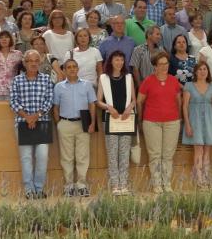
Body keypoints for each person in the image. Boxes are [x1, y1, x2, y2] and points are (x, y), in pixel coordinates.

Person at [10, 49, 54, 199]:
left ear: (40, 62)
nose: (33, 63)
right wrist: (27, 117)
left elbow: (49, 101)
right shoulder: (17, 80)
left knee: (42, 156)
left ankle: (39, 189)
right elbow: (13, 102)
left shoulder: (46, 80)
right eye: (30, 61)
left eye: (36, 61)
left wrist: (36, 116)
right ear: (25, 63)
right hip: (22, 123)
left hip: (42, 123)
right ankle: (29, 191)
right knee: (26, 158)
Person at [137, 52, 182, 193]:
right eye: (161, 64)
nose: (164, 66)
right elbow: (139, 101)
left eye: (166, 63)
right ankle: (157, 184)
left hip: (172, 122)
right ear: (155, 66)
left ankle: (167, 183)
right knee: (155, 154)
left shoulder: (174, 81)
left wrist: (179, 118)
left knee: (168, 155)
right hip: (152, 122)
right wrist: (140, 120)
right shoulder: (148, 81)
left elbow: (178, 101)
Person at [52, 59, 97, 197]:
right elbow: (56, 108)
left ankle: (82, 185)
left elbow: (92, 105)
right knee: (67, 157)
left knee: (82, 155)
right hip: (65, 123)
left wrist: (92, 123)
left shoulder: (87, 85)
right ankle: (69, 186)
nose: (72, 69)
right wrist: (59, 123)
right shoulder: (59, 87)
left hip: (83, 124)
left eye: (74, 67)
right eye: (69, 67)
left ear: (78, 69)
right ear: (64, 70)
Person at [97, 51, 136, 195]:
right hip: (110, 119)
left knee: (124, 153)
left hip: (126, 119)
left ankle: (124, 185)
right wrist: (108, 107)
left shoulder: (128, 77)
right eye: (116, 60)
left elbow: (133, 99)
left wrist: (129, 109)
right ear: (111, 62)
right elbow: (98, 100)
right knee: (112, 154)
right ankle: (115, 185)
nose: (119, 62)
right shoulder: (103, 78)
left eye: (121, 60)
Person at [0, 31, 23, 101]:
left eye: (6, 37)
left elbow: (24, 68)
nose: (4, 39)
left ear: (10, 39)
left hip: (13, 90)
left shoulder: (18, 54)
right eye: (1, 38)